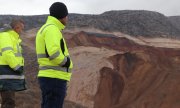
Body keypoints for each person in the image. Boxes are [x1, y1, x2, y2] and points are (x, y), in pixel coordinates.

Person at [36, 2, 73, 108]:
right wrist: (67, 62)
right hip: (54, 78)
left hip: (50, 77)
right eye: (66, 15)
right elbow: (54, 52)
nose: (67, 18)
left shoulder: (46, 28)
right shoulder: (52, 29)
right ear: (62, 16)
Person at [0, 19, 26, 108]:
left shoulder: (12, 37)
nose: (22, 31)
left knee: (8, 101)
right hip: (6, 75)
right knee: (9, 103)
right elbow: (8, 53)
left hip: (8, 75)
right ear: (16, 27)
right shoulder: (6, 36)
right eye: (21, 29)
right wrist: (18, 67)